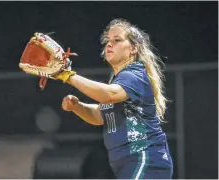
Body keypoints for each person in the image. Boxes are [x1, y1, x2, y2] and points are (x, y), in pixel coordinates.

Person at [55, 18, 173, 179]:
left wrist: (67, 76)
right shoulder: (120, 81)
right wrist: (77, 106)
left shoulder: (134, 74)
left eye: (117, 40)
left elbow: (110, 95)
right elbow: (100, 115)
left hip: (145, 157)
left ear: (133, 49)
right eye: (108, 41)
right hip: (126, 163)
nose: (109, 44)